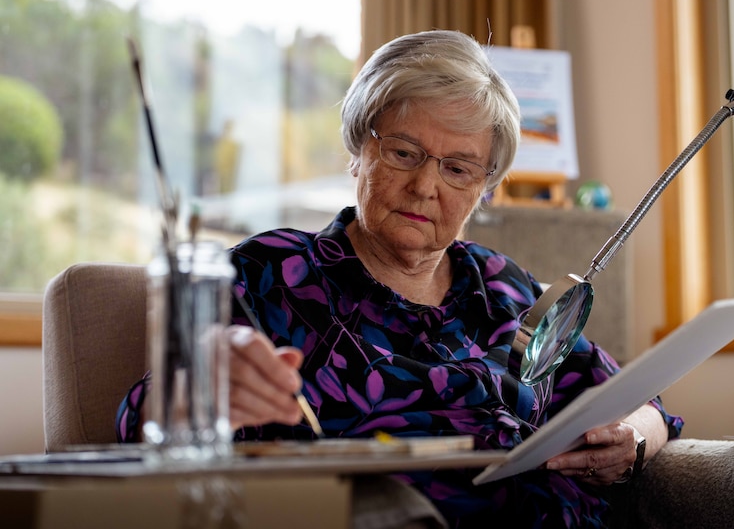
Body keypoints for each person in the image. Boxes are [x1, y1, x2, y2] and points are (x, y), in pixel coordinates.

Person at [118, 29, 683, 528]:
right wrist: (202, 385)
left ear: (485, 188)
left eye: (458, 168)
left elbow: (643, 403)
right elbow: (142, 423)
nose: (425, 187)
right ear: (359, 150)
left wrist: (632, 442)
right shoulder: (273, 272)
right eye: (405, 152)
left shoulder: (505, 290)